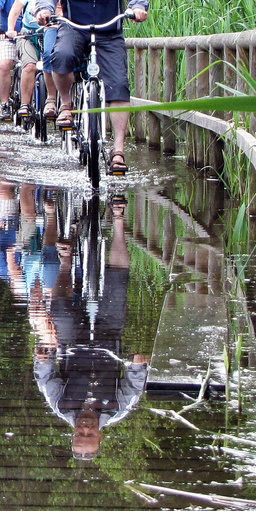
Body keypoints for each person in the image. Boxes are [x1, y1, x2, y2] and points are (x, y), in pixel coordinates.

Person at [30, 194, 149, 460]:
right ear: (99, 436)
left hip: (73, 345)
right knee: (118, 285)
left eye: (79, 436)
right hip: (108, 340)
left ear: (72, 435)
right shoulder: (119, 409)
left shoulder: (61, 406)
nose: (84, 429)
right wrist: (138, 366)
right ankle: (118, 219)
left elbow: (46, 379)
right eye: (90, 436)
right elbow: (134, 387)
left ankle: (66, 262)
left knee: (59, 312)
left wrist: (43, 359)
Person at [33, 0, 149, 176]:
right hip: (76, 26)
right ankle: (66, 105)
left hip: (110, 28)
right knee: (59, 57)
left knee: (119, 85)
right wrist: (43, 9)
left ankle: (117, 150)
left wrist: (138, 6)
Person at [7, 0, 61, 124]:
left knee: (49, 62)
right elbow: (14, 13)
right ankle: (24, 103)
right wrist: (11, 29)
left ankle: (51, 100)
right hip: (29, 35)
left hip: (47, 34)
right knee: (29, 65)